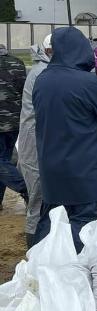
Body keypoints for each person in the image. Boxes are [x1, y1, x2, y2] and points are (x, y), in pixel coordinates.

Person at [32, 26, 97, 251]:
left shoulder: (42, 81)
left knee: (53, 226)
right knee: (84, 233)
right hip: (86, 176)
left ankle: (42, 269)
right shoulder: (87, 83)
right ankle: (74, 278)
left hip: (52, 173)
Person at [18, 35, 51, 248]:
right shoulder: (42, 73)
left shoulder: (42, 70)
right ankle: (35, 247)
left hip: (37, 139)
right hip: (34, 142)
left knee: (41, 197)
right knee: (38, 197)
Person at [0, 44, 28, 212]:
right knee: (4, 159)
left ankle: (26, 189)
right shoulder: (17, 62)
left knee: (1, 161)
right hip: (14, 122)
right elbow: (24, 91)